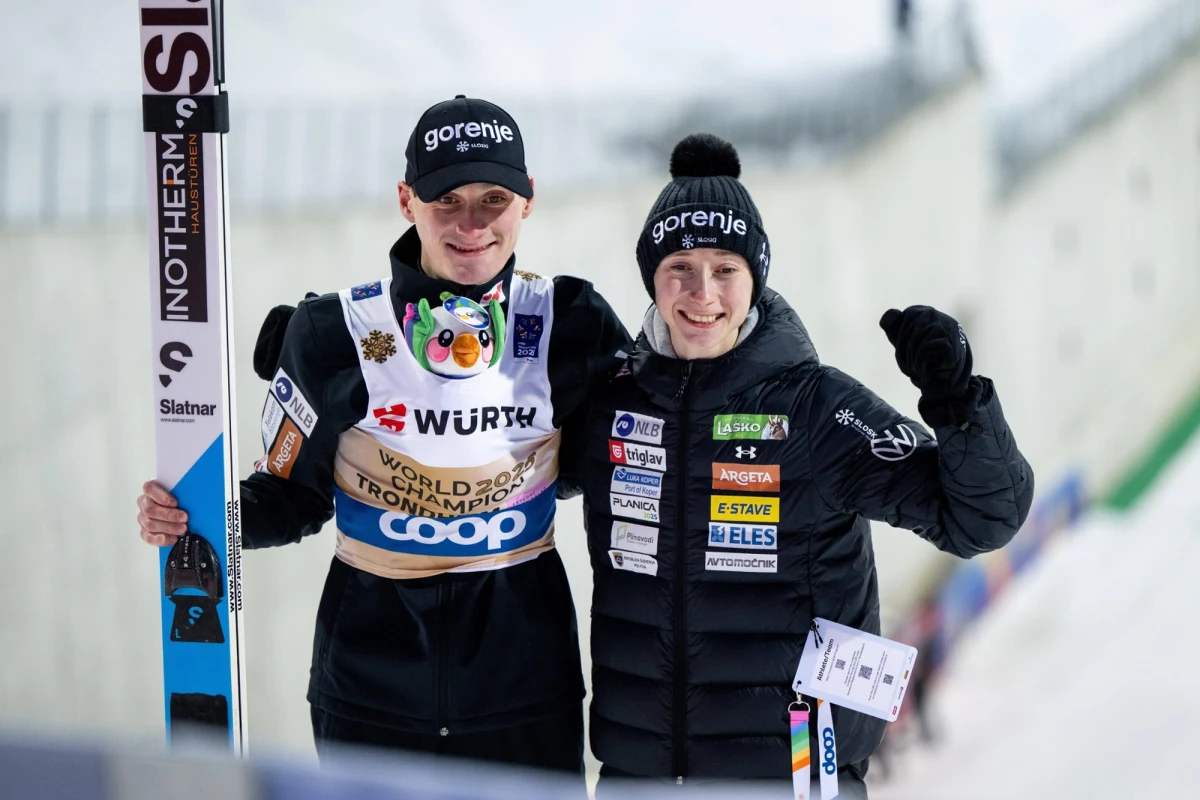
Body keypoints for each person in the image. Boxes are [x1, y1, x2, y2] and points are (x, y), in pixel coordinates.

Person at [136, 95, 632, 773]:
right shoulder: (333, 332)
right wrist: (200, 513)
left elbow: (623, 461)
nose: (471, 224)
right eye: (445, 200)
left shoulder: (570, 322)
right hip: (371, 687)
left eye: (494, 198)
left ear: (528, 200)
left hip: (523, 685)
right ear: (406, 201)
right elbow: (292, 497)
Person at [574, 133, 1033, 795]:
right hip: (637, 778)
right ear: (652, 276)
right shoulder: (610, 402)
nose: (702, 292)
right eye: (680, 267)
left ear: (755, 277)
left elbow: (983, 519)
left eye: (725, 269)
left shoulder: (817, 409)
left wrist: (958, 403)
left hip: (791, 781)